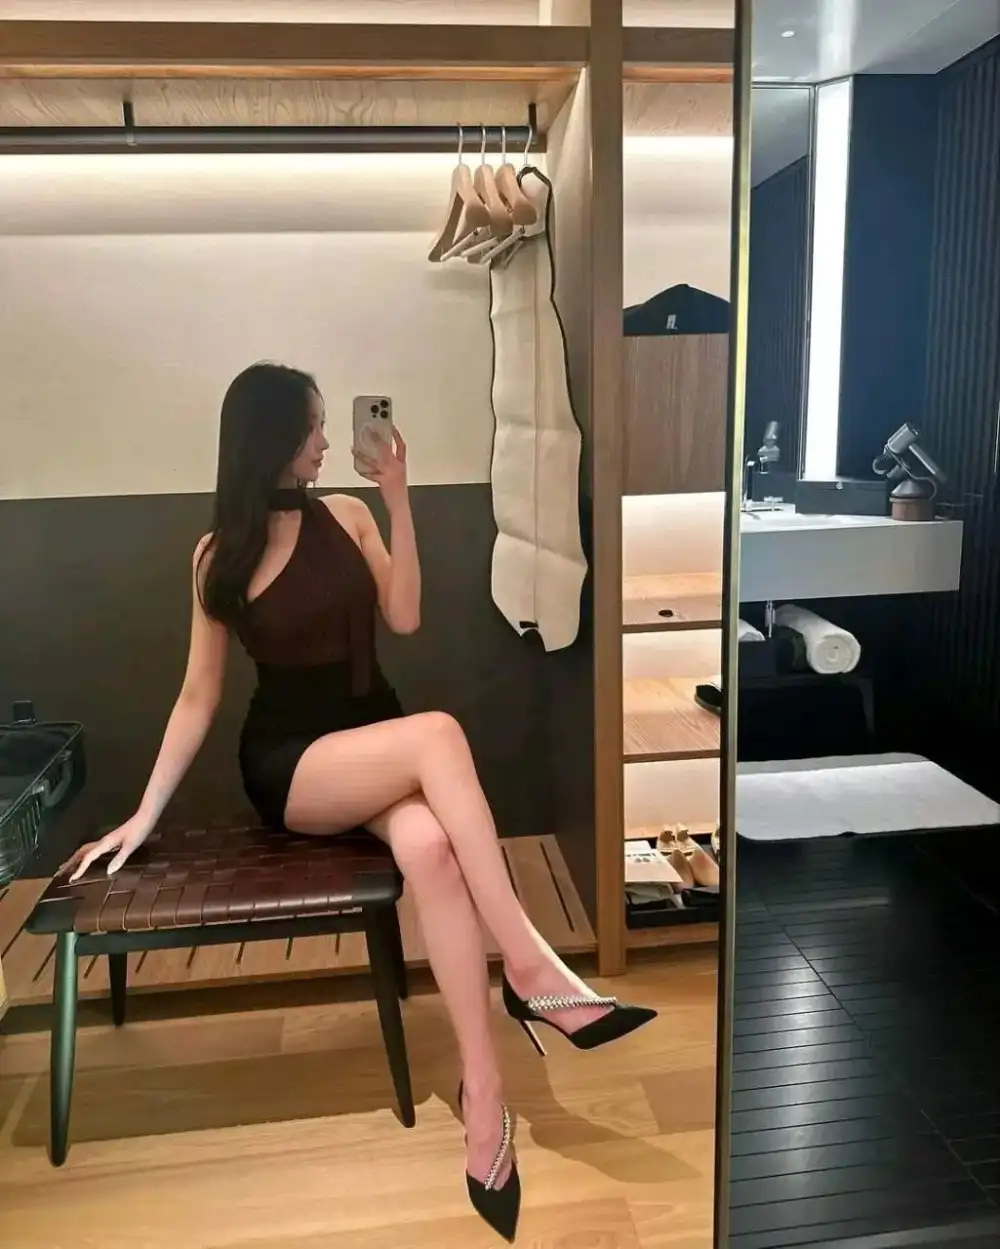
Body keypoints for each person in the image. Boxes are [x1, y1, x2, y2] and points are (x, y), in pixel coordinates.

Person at [63, 361, 656, 1242]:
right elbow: (198, 695)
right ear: (273, 438)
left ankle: (484, 1091)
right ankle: (530, 969)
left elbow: (404, 616)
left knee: (429, 848)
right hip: (292, 765)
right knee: (439, 733)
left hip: (374, 740)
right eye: (312, 426)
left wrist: (399, 499)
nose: (326, 440)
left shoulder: (346, 514)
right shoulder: (215, 557)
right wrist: (144, 814)